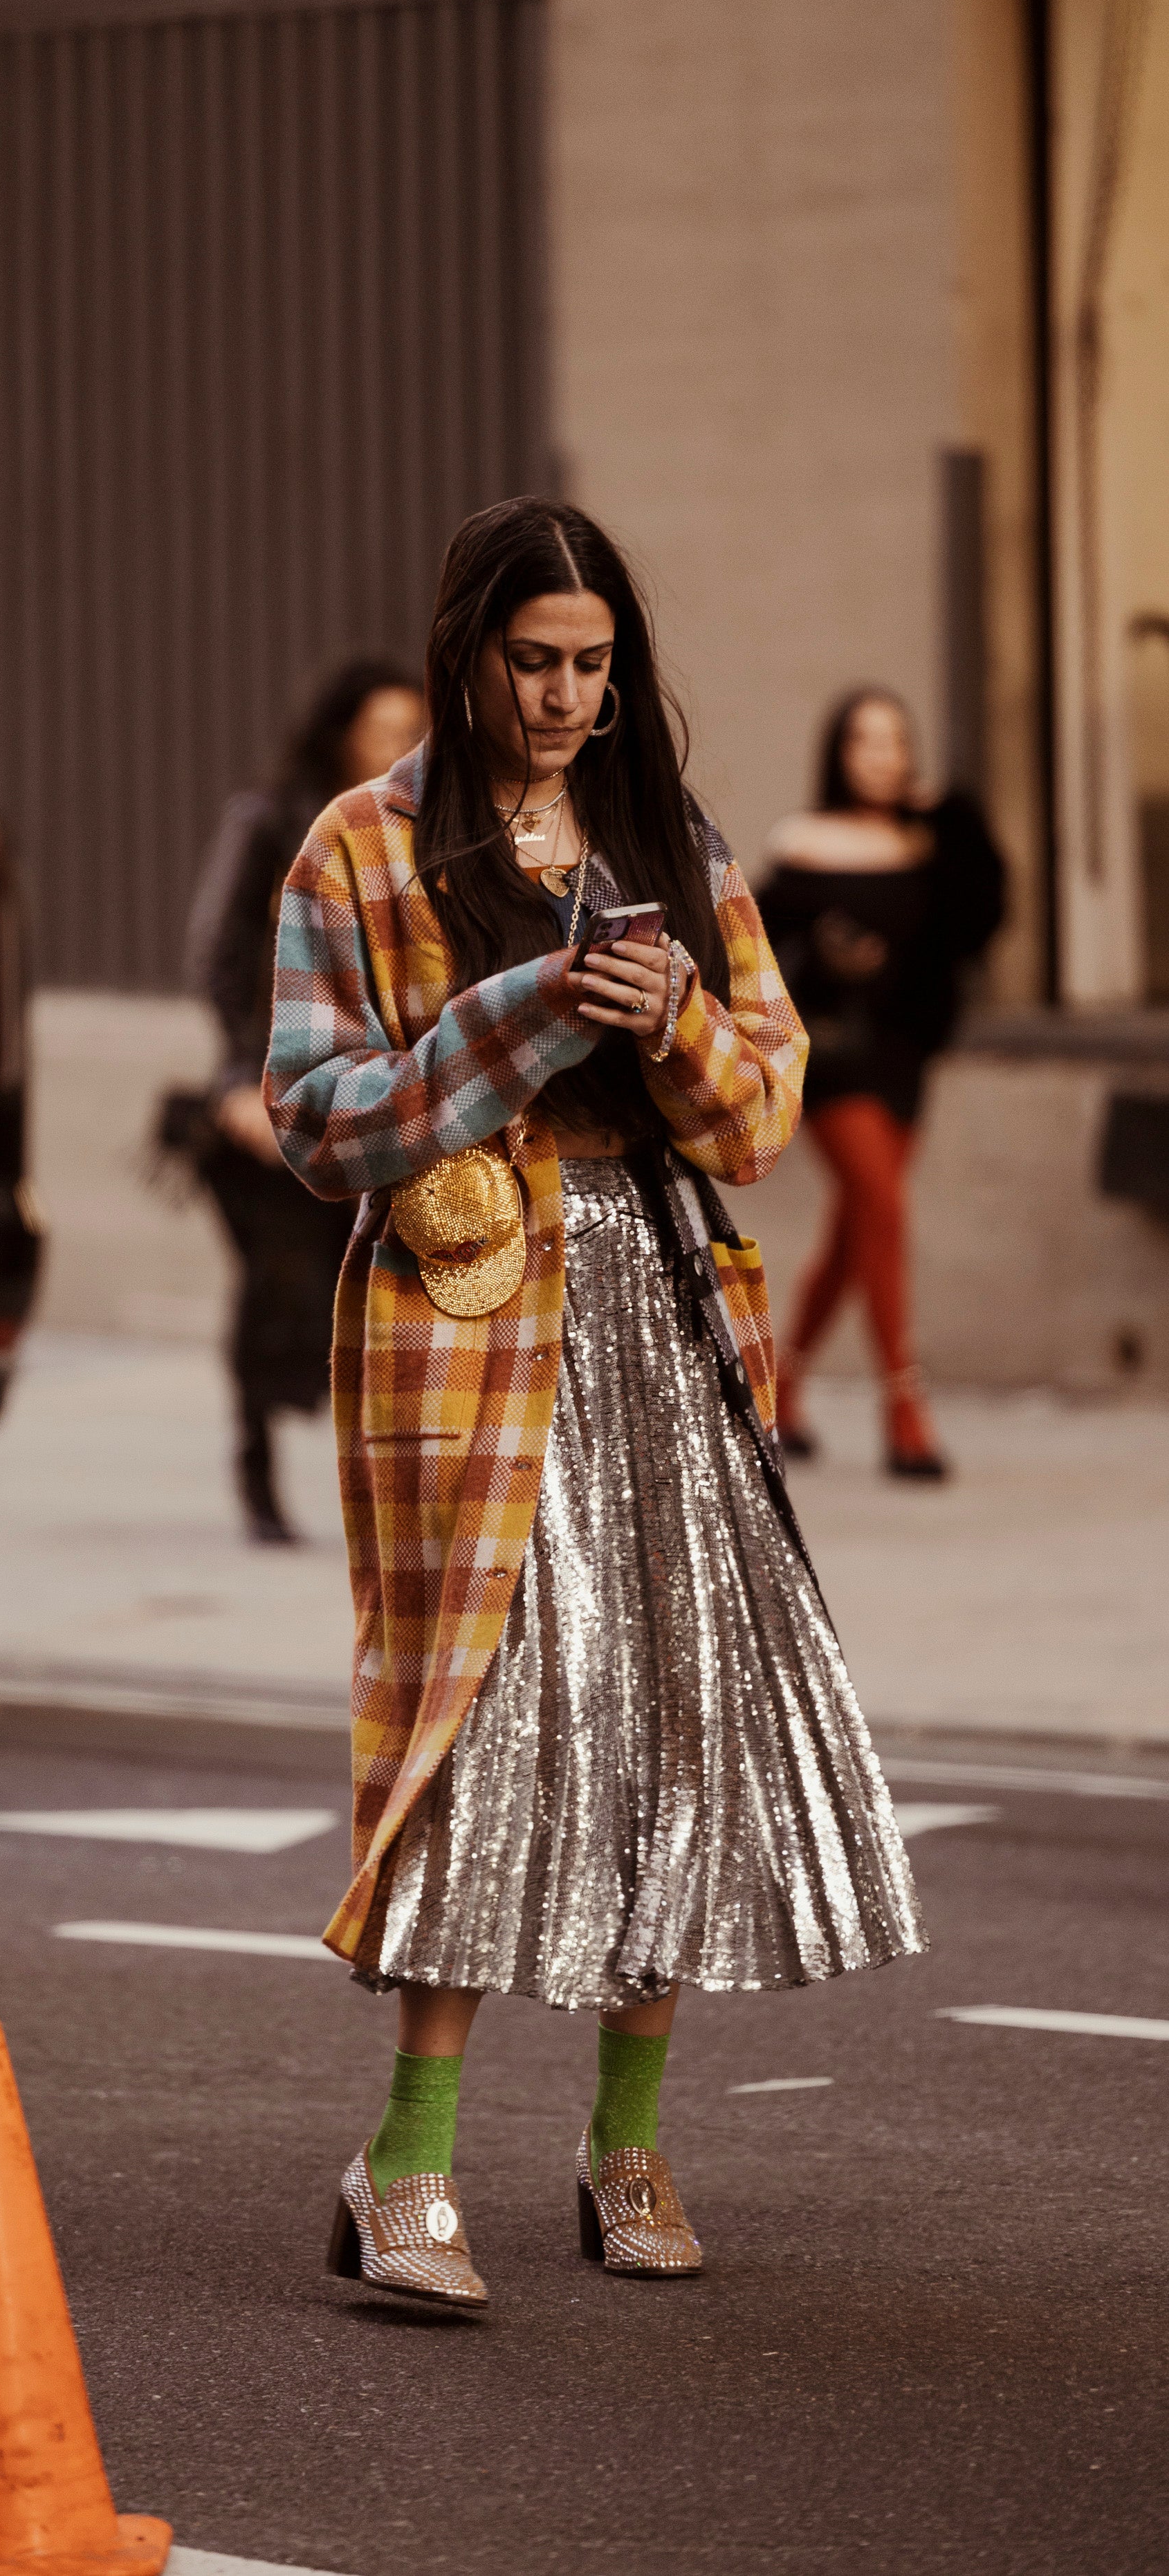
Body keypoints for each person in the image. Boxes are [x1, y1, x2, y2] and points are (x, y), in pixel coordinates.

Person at [263, 498, 923, 2307]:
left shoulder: (669, 838)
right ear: (462, 652)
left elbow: (762, 1117)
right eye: (531, 661)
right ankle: (402, 2162)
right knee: (475, 1725)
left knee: (674, 1725)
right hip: (467, 1325)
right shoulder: (358, 848)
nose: (562, 698)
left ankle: (624, 2142)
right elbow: (315, 1120)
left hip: (666, 1320)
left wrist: (666, 1026)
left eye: (592, 667)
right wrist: (522, 1017)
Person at [186, 656, 424, 1544]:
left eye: (416, 729)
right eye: (389, 726)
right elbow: (220, 959)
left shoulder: (418, 830)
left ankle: (374, 1483)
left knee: (363, 1292)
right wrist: (244, 1079)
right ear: (344, 732)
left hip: (378, 1096)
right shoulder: (274, 822)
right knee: (274, 1288)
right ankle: (254, 1464)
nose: (406, 744)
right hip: (276, 1099)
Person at [758, 691, 1005, 1478]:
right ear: (838, 752)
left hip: (904, 1056)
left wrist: (954, 812)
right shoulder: (803, 843)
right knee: (886, 1210)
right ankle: (905, 1408)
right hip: (833, 1058)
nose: (882, 755)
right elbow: (754, 945)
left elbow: (987, 913)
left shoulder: (926, 841)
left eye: (896, 740)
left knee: (857, 1228)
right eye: (866, 741)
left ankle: (782, 1387)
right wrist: (826, 952)